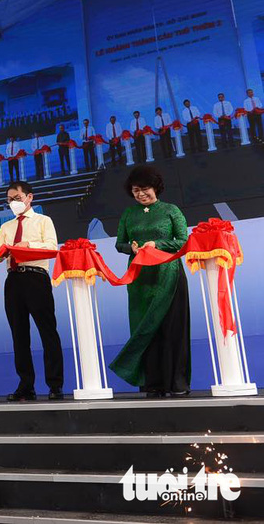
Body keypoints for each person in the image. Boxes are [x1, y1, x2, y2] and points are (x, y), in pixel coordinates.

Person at [110, 166, 190, 398]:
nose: (140, 194)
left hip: (168, 274)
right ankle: (151, 383)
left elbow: (183, 242)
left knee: (172, 329)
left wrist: (157, 244)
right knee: (144, 329)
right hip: (139, 277)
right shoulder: (128, 214)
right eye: (136, 190)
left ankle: (177, 383)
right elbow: (119, 244)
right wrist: (131, 248)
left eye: (144, 189)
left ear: (155, 187)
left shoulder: (170, 210)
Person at [0, 181, 63, 401]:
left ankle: (55, 384)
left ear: (29, 197)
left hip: (36, 277)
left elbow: (52, 247)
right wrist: (4, 253)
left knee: (47, 331)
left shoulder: (44, 221)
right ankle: (26, 385)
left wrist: (27, 246)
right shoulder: (6, 227)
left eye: (17, 198)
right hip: (13, 280)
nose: (13, 203)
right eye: (9, 199)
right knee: (19, 335)